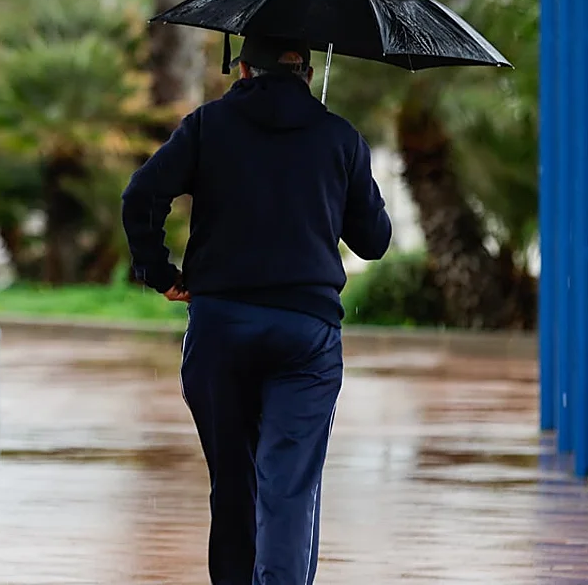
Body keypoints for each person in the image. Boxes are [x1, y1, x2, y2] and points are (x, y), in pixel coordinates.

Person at [121, 33, 392, 585]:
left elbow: (140, 195)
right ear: (308, 73)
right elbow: (375, 240)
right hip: (306, 334)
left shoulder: (206, 126)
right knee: (289, 486)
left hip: (220, 327)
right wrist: (336, 183)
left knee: (234, 482)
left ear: (242, 69)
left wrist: (159, 272)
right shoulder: (338, 137)